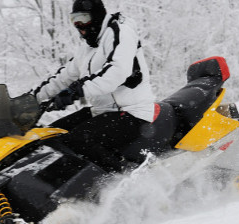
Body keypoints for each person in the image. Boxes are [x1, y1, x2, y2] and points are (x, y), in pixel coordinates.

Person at [30, 0, 171, 173]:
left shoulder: (120, 32)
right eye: (74, 19)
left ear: (97, 16)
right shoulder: (88, 47)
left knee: (80, 139)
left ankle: (124, 180)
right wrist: (32, 99)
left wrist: (77, 90)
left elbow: (117, 71)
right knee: (52, 135)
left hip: (132, 112)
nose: (79, 25)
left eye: (83, 18)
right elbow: (64, 76)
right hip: (103, 112)